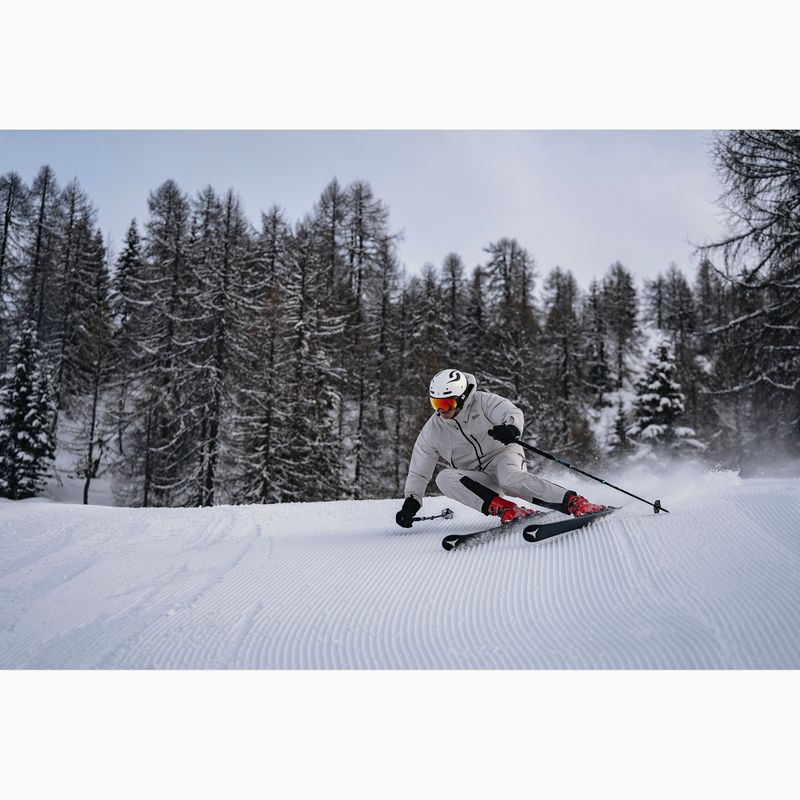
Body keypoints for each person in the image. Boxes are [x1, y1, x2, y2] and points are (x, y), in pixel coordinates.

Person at [395, 368, 607, 528]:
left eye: (447, 404)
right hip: (478, 477)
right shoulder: (433, 429)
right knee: (444, 478)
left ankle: (574, 502)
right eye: (436, 404)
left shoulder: (483, 402)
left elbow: (511, 412)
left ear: (460, 398)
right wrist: (412, 502)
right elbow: (419, 470)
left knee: (509, 479)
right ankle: (507, 509)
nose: (441, 411)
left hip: (503, 456)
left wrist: (511, 428)